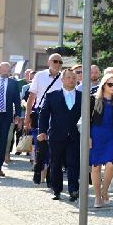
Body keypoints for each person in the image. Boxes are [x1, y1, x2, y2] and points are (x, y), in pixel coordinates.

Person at [37, 68, 82, 201]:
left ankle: (74, 189)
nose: (71, 80)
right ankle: (57, 190)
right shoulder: (52, 95)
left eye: (74, 78)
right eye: (68, 77)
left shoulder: (83, 97)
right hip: (56, 135)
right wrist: (42, 132)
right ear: (62, 80)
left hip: (75, 135)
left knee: (73, 162)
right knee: (55, 163)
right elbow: (44, 115)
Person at [28, 54, 66, 184]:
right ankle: (38, 169)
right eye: (55, 61)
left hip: (56, 115)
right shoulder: (40, 75)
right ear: (49, 62)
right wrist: (27, 116)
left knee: (54, 146)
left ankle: (51, 175)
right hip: (40, 113)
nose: (58, 64)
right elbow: (32, 97)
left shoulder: (63, 77)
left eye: (60, 62)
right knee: (41, 144)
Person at [88, 73, 113, 207]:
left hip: (110, 136)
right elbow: (87, 121)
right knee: (96, 166)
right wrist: (88, 137)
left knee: (110, 165)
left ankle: (104, 191)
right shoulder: (93, 100)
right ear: (103, 85)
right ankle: (97, 197)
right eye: (110, 84)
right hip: (96, 134)